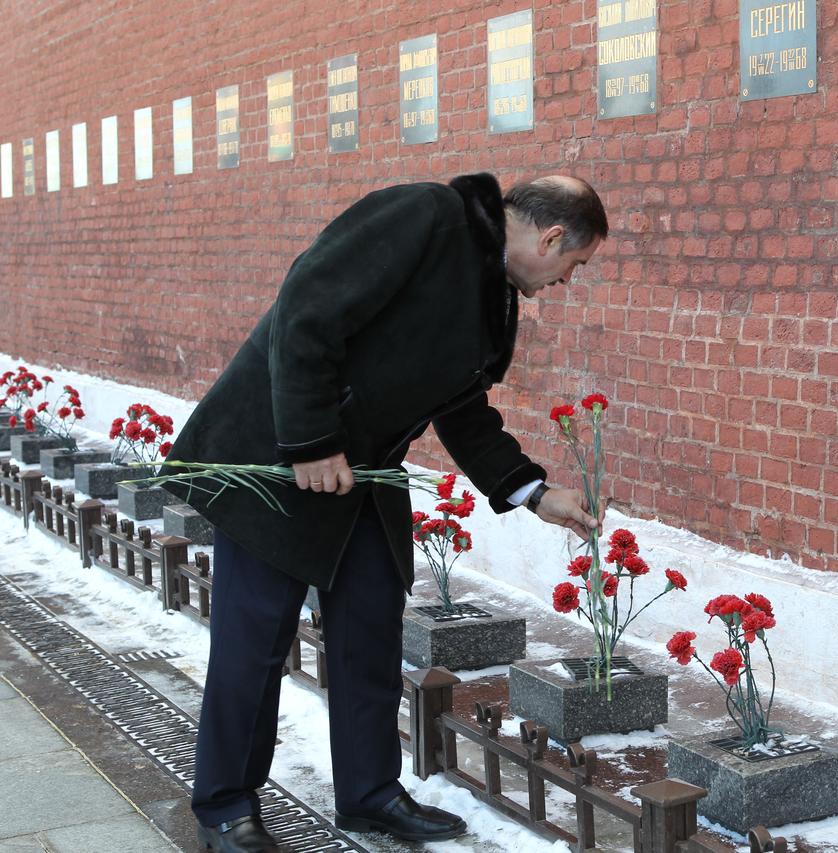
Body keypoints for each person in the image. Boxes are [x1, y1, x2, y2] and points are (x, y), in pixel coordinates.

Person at [164, 173, 609, 853]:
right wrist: (310, 440)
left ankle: (369, 793)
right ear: (550, 237)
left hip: (364, 475)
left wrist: (534, 492)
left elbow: (462, 409)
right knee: (252, 645)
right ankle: (227, 803)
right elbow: (307, 301)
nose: (566, 283)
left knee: (369, 632)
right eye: (574, 266)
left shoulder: (495, 292)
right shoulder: (427, 216)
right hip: (279, 458)